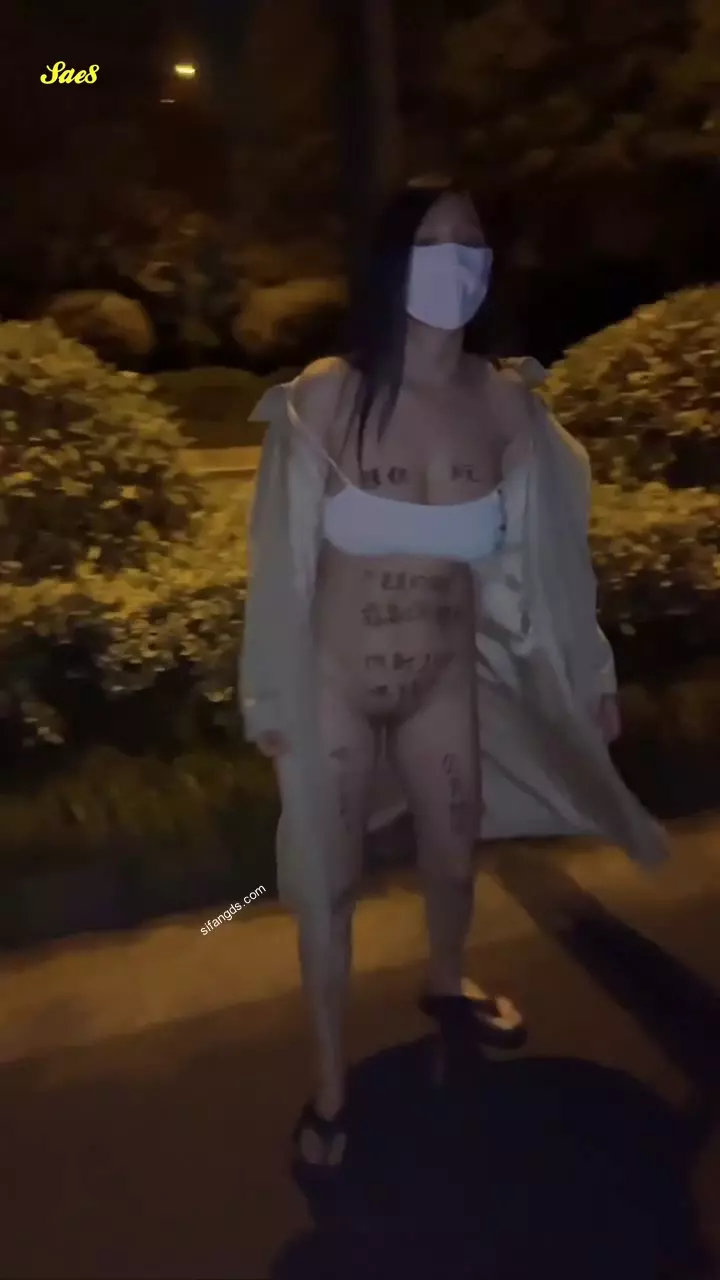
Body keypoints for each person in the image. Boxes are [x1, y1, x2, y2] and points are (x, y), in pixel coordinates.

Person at [239, 175, 669, 1175]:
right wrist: (268, 693)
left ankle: (446, 976)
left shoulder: (506, 405)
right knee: (326, 883)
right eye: (433, 244)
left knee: (452, 849)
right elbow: (278, 555)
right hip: (336, 684)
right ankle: (331, 1084)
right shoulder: (327, 395)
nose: (458, 264)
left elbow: (549, 558)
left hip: (442, 678)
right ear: (392, 263)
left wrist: (589, 672)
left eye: (472, 244)